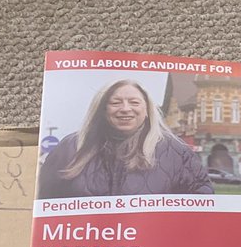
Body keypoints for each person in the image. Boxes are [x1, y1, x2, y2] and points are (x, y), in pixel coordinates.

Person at [36, 79, 215, 199]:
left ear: (147, 111)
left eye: (134, 103)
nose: (125, 109)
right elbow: (44, 197)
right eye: (115, 103)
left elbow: (202, 197)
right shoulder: (70, 146)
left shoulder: (175, 150)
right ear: (102, 110)